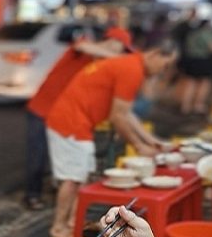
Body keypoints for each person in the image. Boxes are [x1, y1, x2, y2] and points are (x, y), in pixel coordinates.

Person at [45, 39, 177, 237]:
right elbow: (118, 116)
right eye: (165, 64)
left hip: (77, 121)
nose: (163, 71)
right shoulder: (132, 69)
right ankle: (59, 228)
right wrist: (139, 146)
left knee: (80, 177)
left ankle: (72, 222)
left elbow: (126, 114)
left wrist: (151, 140)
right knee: (71, 179)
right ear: (155, 53)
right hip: (70, 122)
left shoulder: (130, 64)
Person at [24, 27, 134, 211]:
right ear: (113, 41)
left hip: (64, 115)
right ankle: (32, 195)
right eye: (122, 48)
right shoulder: (85, 48)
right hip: (42, 109)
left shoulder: (102, 63)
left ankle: (58, 192)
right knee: (38, 156)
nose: (122, 53)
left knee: (61, 158)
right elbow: (82, 45)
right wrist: (122, 60)